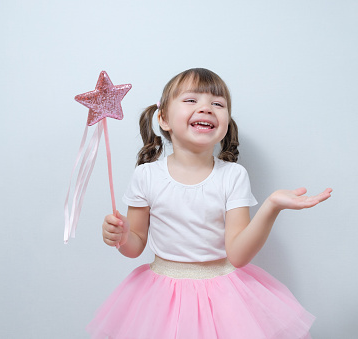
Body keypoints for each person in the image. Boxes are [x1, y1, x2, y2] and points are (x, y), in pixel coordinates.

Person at [86, 68, 332, 339]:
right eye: (191, 100)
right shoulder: (146, 175)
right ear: (164, 118)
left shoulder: (233, 175)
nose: (206, 108)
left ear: (226, 122)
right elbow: (135, 246)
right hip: (162, 299)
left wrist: (271, 205)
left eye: (218, 104)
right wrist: (122, 236)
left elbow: (237, 255)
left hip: (225, 298)